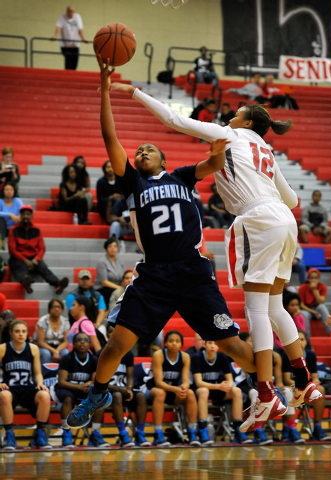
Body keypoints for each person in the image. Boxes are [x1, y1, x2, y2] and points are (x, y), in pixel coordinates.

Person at [111, 80, 323, 432]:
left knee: (255, 308)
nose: (230, 115)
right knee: (275, 308)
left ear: (245, 122)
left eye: (236, 113)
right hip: (286, 222)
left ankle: (267, 393)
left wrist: (134, 93)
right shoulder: (266, 150)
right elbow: (294, 201)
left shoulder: (229, 134)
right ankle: (304, 382)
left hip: (257, 219)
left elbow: (172, 120)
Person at [66, 57, 257, 432]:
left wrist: (219, 143)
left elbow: (215, 162)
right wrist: (105, 89)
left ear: (164, 159)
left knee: (233, 346)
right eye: (138, 151)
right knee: (114, 346)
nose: (141, 152)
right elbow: (110, 138)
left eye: (149, 149)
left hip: (192, 271)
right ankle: (98, 394)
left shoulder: (183, 177)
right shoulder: (133, 183)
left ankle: (267, 386)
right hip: (154, 275)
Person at [0, 320, 52, 449]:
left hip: (27, 389)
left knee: (45, 395)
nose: (20, 334)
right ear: (11, 333)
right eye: (17, 331)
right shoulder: (3, 348)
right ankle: (10, 436)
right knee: (4, 395)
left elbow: (38, 373)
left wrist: (40, 383)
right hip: (10, 389)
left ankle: (39, 435)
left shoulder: (33, 348)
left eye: (23, 331)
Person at [54, 331, 109, 448]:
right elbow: (62, 382)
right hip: (67, 389)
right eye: (79, 340)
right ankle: (66, 432)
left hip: (83, 391)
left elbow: (96, 380)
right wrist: (80, 386)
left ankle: (95, 433)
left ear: (90, 344)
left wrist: (91, 383)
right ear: (73, 344)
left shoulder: (94, 360)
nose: (82, 342)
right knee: (67, 398)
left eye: (86, 340)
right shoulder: (66, 358)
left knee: (99, 397)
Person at [192, 340, 252, 444]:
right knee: (203, 391)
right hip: (202, 390)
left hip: (217, 389)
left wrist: (227, 385)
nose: (212, 346)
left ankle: (238, 431)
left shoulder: (222, 357)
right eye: (210, 343)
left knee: (236, 391)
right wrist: (218, 386)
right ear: (205, 344)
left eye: (215, 344)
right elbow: (199, 383)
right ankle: (203, 431)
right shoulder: (197, 357)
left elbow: (230, 380)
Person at [146, 331, 199, 446]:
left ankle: (192, 432)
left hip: (172, 391)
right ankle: (158, 434)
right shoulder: (158, 355)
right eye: (170, 341)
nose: (174, 344)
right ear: (165, 343)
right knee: (160, 393)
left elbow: (186, 381)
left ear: (181, 344)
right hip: (152, 390)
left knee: (190, 393)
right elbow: (158, 382)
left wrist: (183, 389)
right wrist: (176, 389)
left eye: (177, 341)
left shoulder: (185, 357)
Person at [281, 330, 331, 442]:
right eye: (297, 339)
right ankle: (289, 429)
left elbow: (315, 377)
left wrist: (315, 381)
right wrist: (301, 385)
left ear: (306, 342)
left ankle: (318, 428)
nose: (300, 342)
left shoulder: (311, 355)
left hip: (305, 387)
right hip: (292, 386)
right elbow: (286, 379)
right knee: (287, 391)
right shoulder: (285, 355)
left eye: (302, 339)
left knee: (321, 389)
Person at [105, 324, 151, 447]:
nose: (113, 334)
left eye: (116, 332)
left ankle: (140, 434)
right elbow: (98, 381)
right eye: (110, 332)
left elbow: (130, 376)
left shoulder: (128, 354)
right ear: (106, 335)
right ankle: (123, 434)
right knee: (117, 396)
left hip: (123, 390)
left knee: (140, 396)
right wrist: (120, 389)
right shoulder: (101, 353)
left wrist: (129, 388)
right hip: (107, 391)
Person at [8, 205, 69, 295]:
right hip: (18, 258)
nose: (25, 216)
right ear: (20, 216)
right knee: (19, 268)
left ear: (32, 216)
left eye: (28, 214)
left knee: (43, 268)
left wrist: (36, 259)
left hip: (34, 258)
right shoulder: (13, 229)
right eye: (23, 214)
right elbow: (12, 250)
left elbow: (42, 248)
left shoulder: (37, 230)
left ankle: (58, 284)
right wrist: (25, 261)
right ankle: (26, 283)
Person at [65, 269, 107, 335]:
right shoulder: (72, 296)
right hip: (77, 324)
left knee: (102, 329)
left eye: (87, 279)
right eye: (82, 279)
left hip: (95, 324)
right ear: (78, 280)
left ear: (91, 280)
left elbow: (102, 311)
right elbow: (72, 313)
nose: (85, 281)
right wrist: (85, 324)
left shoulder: (98, 295)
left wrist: (97, 324)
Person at [31, 298, 70, 364]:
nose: (56, 309)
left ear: (62, 309)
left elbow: (66, 342)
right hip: (43, 347)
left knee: (65, 352)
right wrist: (54, 351)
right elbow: (40, 342)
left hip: (59, 347)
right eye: (54, 306)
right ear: (49, 309)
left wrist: (57, 351)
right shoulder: (43, 321)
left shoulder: (65, 322)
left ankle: (63, 373)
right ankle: (45, 373)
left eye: (59, 307)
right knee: (46, 353)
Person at [298, 268, 331, 337]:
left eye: (316, 278)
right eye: (311, 278)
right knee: (304, 314)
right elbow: (301, 305)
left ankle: (330, 332)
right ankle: (307, 337)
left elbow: (321, 301)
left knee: (322, 307)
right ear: (308, 279)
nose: (314, 280)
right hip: (307, 310)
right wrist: (313, 312)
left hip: (317, 308)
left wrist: (314, 289)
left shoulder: (323, 286)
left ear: (319, 279)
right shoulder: (302, 287)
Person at [51, 5, 88, 70]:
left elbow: (80, 29)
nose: (70, 13)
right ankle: (67, 75)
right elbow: (58, 28)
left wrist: (83, 38)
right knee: (68, 61)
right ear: (67, 12)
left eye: (72, 11)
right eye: (69, 11)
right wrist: (55, 36)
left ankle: (73, 76)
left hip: (75, 45)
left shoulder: (77, 17)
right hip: (65, 45)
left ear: (73, 12)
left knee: (74, 63)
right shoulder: (62, 17)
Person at [93, 236, 126, 308]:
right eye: (110, 246)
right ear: (106, 249)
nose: (113, 248)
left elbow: (124, 277)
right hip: (102, 288)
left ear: (117, 248)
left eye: (115, 246)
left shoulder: (120, 262)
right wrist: (119, 288)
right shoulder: (102, 262)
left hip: (116, 287)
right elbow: (104, 282)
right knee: (117, 293)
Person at [0, 182, 23, 250]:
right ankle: (1, 245)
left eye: (11, 190)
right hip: (2, 227)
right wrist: (9, 214)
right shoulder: (0, 201)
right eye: (6, 189)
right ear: (3, 191)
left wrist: (19, 216)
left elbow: (23, 211)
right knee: (1, 220)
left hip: (14, 226)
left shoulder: (17, 201)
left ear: (14, 191)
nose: (9, 191)